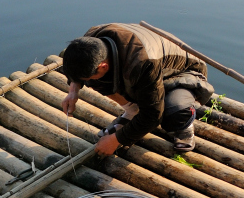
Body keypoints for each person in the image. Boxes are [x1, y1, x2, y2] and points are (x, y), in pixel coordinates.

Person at [60, 23, 214, 156]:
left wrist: (116, 140)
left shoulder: (142, 62)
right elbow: (76, 73)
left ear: (103, 66)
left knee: (173, 112)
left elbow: (153, 115)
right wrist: (73, 92)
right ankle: (132, 111)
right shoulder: (90, 41)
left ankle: (185, 126)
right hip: (149, 71)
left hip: (183, 73)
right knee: (97, 80)